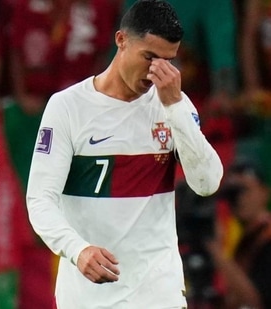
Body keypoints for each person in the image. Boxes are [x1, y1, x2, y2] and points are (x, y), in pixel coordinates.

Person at [25, 0, 224, 308]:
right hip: (88, 296)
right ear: (121, 40)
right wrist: (78, 250)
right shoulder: (68, 107)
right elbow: (39, 200)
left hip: (158, 294)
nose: (157, 71)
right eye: (149, 57)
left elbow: (207, 183)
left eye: (168, 61)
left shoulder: (174, 106)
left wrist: (174, 108)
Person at [206, 159, 271, 309]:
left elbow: (258, 301)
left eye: (244, 190)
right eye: (232, 192)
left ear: (264, 192)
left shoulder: (266, 236)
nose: (238, 199)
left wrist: (216, 252)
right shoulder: (245, 238)